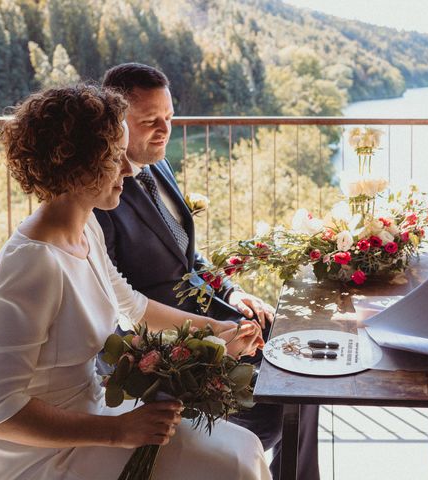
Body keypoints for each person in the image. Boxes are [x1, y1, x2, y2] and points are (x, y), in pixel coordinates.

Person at [0, 84, 271, 480]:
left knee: (244, 447)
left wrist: (219, 331)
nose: (128, 169)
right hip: (49, 453)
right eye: (114, 158)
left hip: (98, 414)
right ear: (77, 165)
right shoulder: (31, 267)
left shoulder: (86, 227)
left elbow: (134, 307)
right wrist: (117, 431)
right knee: (231, 463)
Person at [94, 63, 320, 480]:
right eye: (149, 122)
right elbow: (113, 306)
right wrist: (212, 335)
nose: (164, 130)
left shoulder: (158, 165)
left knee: (302, 367)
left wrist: (233, 293)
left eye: (170, 118)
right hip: (166, 344)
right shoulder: (101, 197)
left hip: (213, 310)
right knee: (276, 406)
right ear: (115, 122)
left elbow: (188, 257)